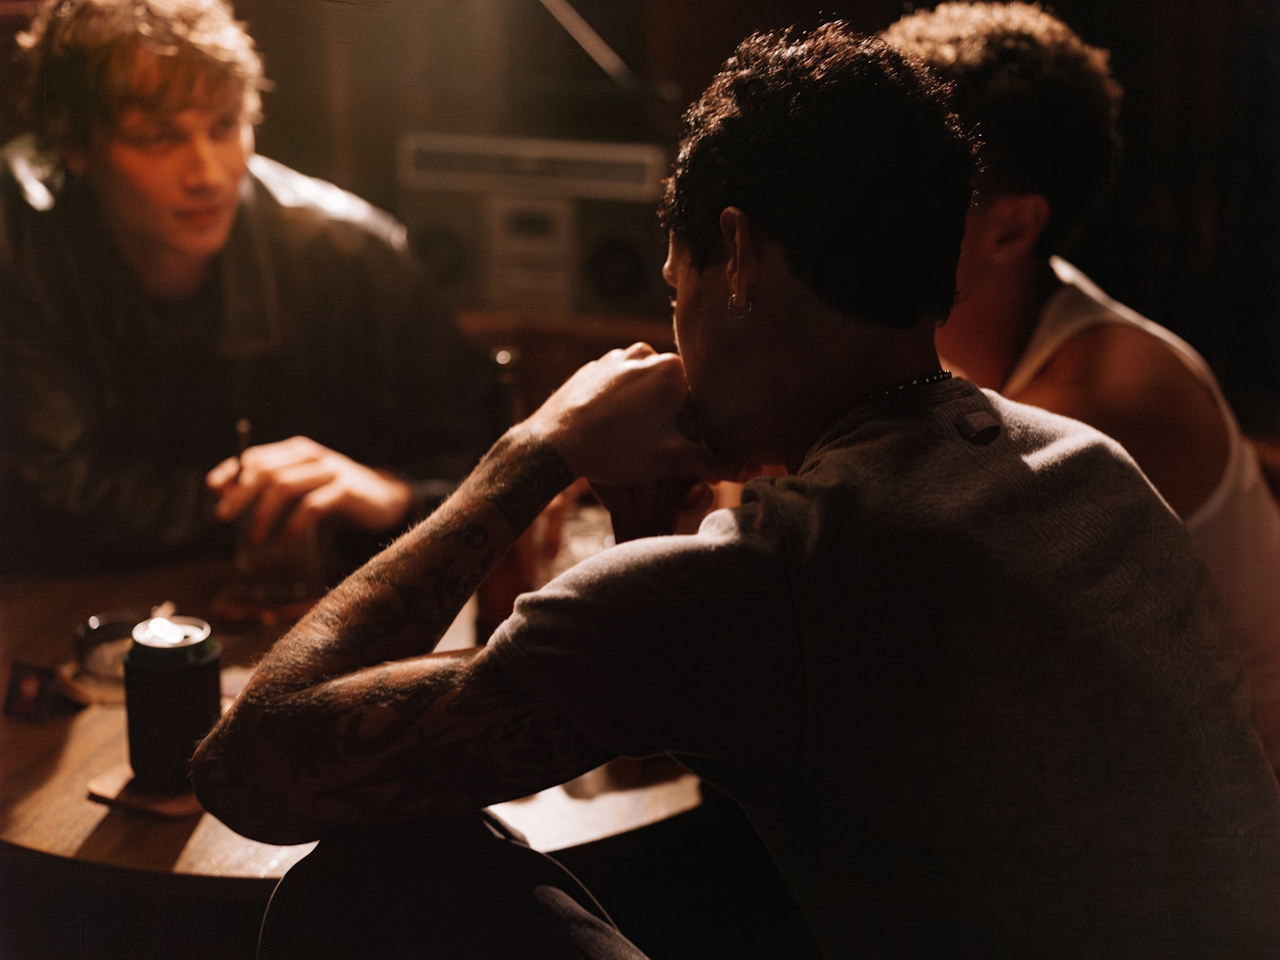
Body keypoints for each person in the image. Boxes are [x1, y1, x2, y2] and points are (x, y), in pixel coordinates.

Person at [193, 24, 1280, 958]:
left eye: (675, 295)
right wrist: (642, 549)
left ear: (735, 253)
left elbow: (252, 768)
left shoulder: (780, 573)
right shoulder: (1086, 468)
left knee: (383, 876)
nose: (676, 332)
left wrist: (536, 446)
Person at [883, 2, 1280, 769]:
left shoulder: (1093, 403)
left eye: (902, 189)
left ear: (1011, 228)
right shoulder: (982, 341)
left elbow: (902, 647)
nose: (857, 215)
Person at [0, 0, 498, 574]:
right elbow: (51, 497)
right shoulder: (20, 242)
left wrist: (393, 496)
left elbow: (489, 458)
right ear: (73, 146)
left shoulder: (350, 253)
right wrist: (252, 505)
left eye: (224, 126)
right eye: (159, 138)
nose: (208, 175)